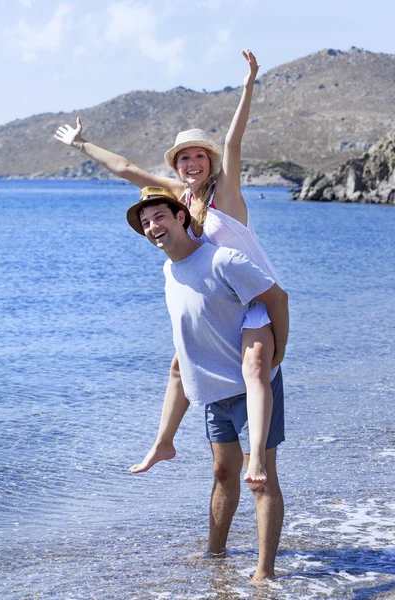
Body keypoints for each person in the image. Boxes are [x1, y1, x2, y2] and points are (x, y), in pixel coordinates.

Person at [54, 49, 284, 484]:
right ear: (177, 166)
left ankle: (255, 458)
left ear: (209, 162)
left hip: (251, 294)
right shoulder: (181, 199)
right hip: (219, 298)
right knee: (179, 367)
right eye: (183, 159)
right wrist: (82, 145)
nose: (191, 164)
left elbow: (235, 141)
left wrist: (250, 81)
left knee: (255, 371)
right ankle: (164, 442)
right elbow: (128, 169)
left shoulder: (226, 193)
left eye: (198, 157)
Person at [125, 186, 289, 581]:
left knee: (260, 479)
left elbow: (278, 298)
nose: (152, 227)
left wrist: (277, 353)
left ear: (180, 216)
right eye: (145, 223)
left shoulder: (223, 260)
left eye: (159, 216)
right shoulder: (169, 269)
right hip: (214, 391)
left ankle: (264, 572)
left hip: (253, 391)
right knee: (222, 473)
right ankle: (215, 552)